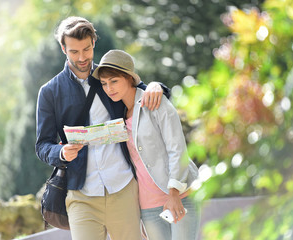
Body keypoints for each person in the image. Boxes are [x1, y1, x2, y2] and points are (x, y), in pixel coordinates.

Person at [35, 16, 170, 240]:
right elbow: (42, 145)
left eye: (86, 49)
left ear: (93, 43)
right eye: (74, 52)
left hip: (123, 188)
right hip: (81, 195)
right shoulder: (50, 92)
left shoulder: (110, 76)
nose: (81, 58)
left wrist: (157, 86)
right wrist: (60, 153)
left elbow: (146, 93)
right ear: (63, 48)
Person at [92, 49, 200, 240]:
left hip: (178, 196)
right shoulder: (119, 114)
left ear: (129, 78)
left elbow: (177, 148)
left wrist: (173, 193)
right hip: (147, 206)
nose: (109, 88)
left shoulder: (154, 102)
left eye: (114, 81)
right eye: (104, 84)